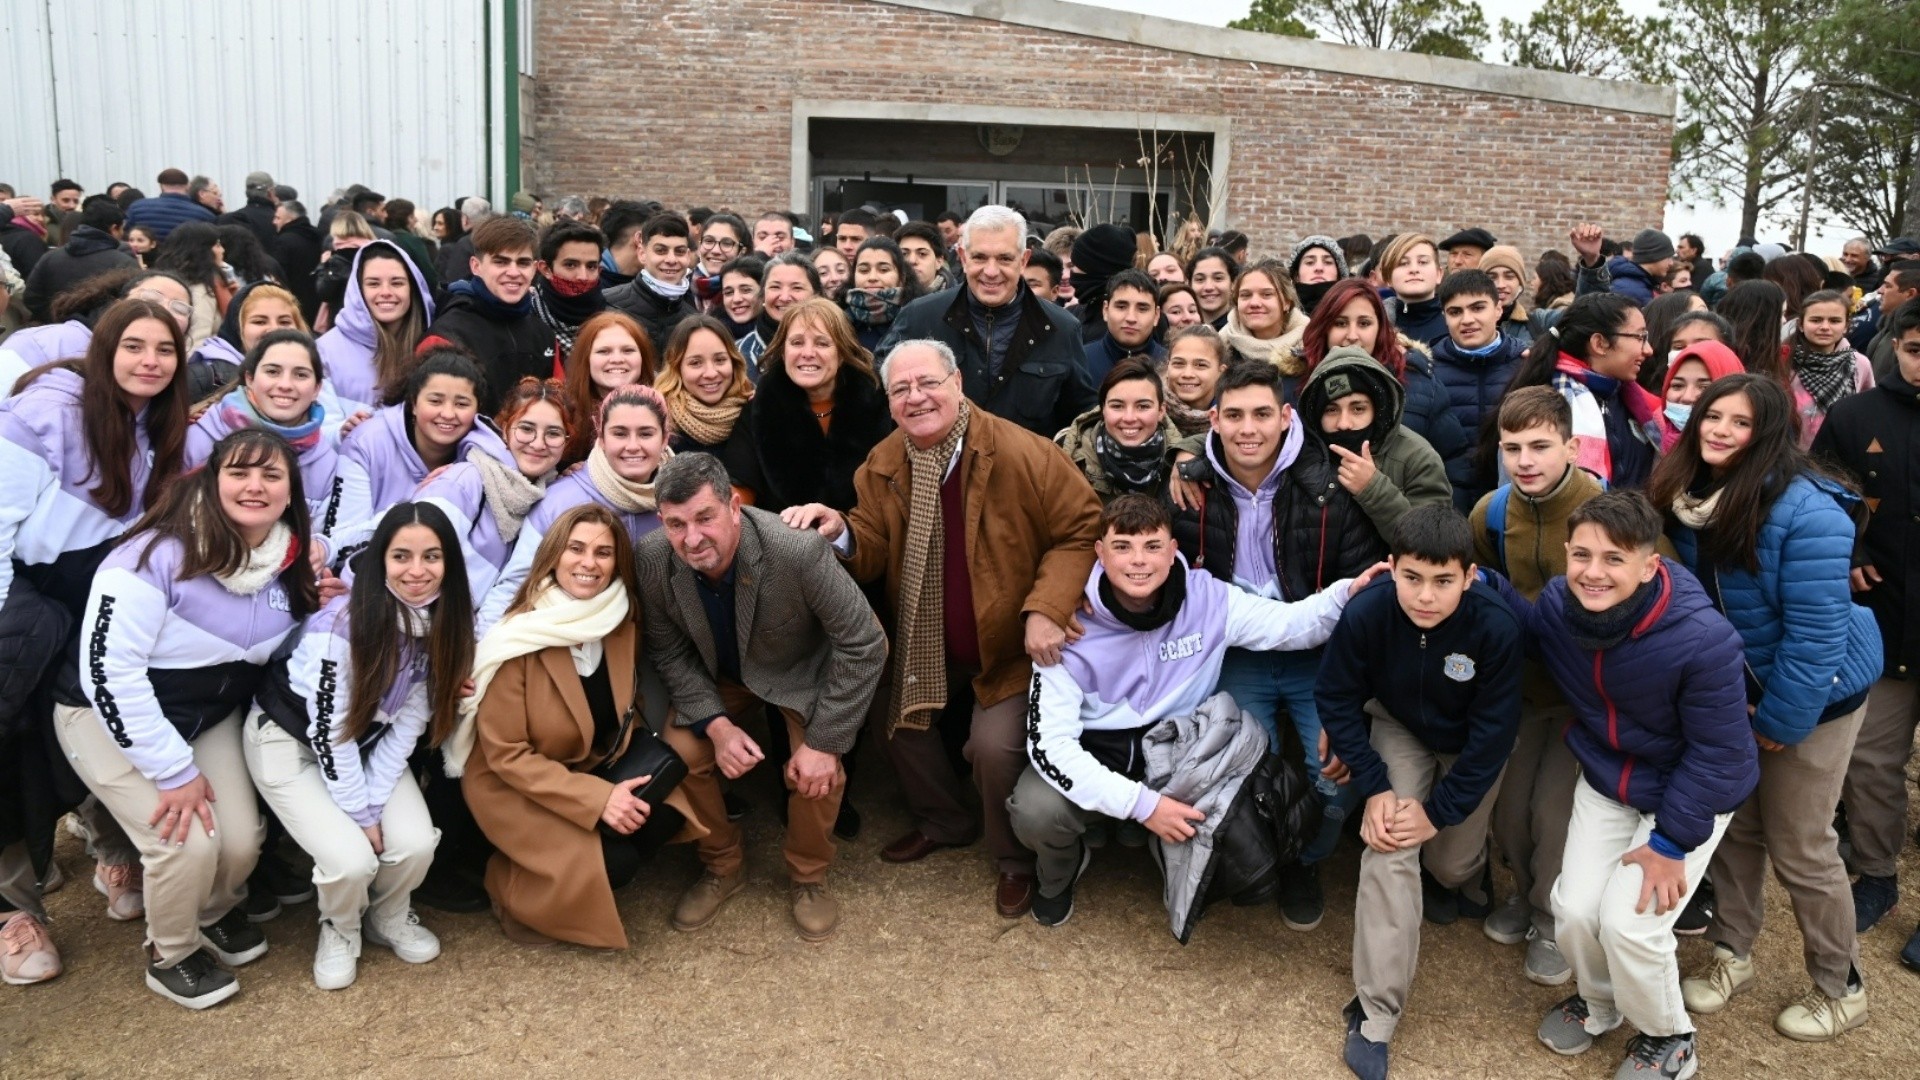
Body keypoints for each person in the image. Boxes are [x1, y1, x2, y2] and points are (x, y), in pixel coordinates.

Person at [784, 338, 1101, 918]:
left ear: (957, 382)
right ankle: (944, 820)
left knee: (991, 747)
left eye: (928, 382)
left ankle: (1013, 859)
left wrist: (1047, 606)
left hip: (1009, 645)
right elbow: (875, 546)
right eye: (901, 389)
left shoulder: (1021, 452)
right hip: (931, 636)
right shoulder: (884, 463)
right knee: (892, 715)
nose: (916, 397)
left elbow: (1082, 529)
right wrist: (842, 532)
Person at [1482, 491, 1755, 1080]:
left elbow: (1722, 755)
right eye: (1582, 555)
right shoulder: (1560, 604)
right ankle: (1599, 1002)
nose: (1594, 571)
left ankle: (1669, 1035)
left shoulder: (1703, 641)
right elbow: (1532, 632)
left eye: (1614, 559)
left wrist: (1671, 845)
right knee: (1574, 909)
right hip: (1610, 776)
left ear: (1649, 566)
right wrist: (1477, 578)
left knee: (1630, 924)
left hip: (1687, 795)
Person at [1012, 493, 1379, 926]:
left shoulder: (1208, 599)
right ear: (1099, 553)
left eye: (1152, 547)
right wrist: (1145, 806)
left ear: (1173, 552)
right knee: (1036, 810)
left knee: (1236, 807)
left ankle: (1169, 853)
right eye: (1122, 546)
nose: (1138, 562)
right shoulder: (1067, 622)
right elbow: (1051, 747)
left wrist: (1344, 595)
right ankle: (1061, 871)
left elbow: (1288, 625)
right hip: (1096, 750)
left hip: (1177, 754)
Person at [1651, 374, 1883, 1042]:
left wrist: (1781, 720)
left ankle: (1842, 986)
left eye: (1740, 422)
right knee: (1738, 828)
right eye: (1711, 416)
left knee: (1802, 842)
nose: (1719, 430)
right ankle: (1732, 950)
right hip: (1735, 691)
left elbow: (1817, 635)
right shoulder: (1688, 492)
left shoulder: (1809, 512)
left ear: (1772, 434)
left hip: (1817, 694)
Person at [55, 429, 320, 1007]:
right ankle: (170, 949)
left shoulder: (287, 559)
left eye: (272, 476)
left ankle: (212, 911)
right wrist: (173, 772)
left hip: (206, 713)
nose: (255, 486)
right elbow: (109, 675)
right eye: (240, 472)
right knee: (186, 844)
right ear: (211, 478)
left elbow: (286, 644)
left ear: (290, 491)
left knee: (243, 839)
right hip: (104, 713)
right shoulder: (151, 554)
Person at [0, 299, 189, 987]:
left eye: (164, 349)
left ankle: (114, 849)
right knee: (15, 741)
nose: (149, 361)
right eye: (134, 346)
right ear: (103, 351)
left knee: (92, 728)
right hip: (30, 601)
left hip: (102, 597)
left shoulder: (165, 427)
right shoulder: (43, 415)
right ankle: (15, 909)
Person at [639, 454, 886, 941]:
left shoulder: (795, 551)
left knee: (818, 772)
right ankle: (722, 864)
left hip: (799, 673)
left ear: (734, 507)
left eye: (705, 517)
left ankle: (808, 875)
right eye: (676, 524)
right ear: (660, 521)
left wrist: (825, 742)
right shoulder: (652, 557)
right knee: (677, 753)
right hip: (722, 679)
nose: (691, 539)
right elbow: (668, 653)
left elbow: (865, 642)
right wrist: (717, 725)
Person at [1319, 505, 1523, 1080]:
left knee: (1450, 865)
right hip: (1400, 727)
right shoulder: (1368, 611)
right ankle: (1376, 1011)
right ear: (1392, 568)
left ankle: (1468, 872)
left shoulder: (1495, 627)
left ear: (1469, 576)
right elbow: (1335, 694)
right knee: (1389, 844)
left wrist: (1439, 814)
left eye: (1442, 581)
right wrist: (1376, 784)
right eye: (1411, 578)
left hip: (1468, 746)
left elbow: (1492, 738)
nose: (1425, 597)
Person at [455, 503, 699, 946]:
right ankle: (508, 885)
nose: (589, 563)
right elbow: (507, 755)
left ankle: (575, 864)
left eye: (604, 553)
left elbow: (625, 703)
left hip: (586, 761)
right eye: (576, 549)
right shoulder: (518, 639)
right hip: (514, 784)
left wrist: (617, 785)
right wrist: (600, 798)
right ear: (554, 555)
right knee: (615, 864)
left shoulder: (619, 619)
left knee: (660, 817)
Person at [246, 500, 461, 989]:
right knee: (351, 860)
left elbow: (409, 721)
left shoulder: (444, 620)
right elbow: (328, 730)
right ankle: (339, 926)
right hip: (291, 740)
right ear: (381, 558)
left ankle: (387, 916)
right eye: (401, 556)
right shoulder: (340, 625)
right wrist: (362, 816)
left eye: (432, 557)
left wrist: (376, 797)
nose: (417, 571)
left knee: (413, 844)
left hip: (367, 744)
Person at [1466, 388, 1633, 986]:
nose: (1525, 460)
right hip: (1516, 689)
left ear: (1571, 446)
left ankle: (1547, 913)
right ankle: (1519, 891)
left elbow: (1647, 591)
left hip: (1585, 697)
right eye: (1512, 448)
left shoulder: (1609, 512)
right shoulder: (1490, 510)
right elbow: (1476, 585)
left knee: (1553, 810)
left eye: (1540, 446)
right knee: (1509, 808)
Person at [1812, 303, 1920, 965]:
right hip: (1883, 622)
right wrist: (1849, 557)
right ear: (1895, 348)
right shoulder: (1856, 417)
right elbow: (1823, 496)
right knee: (1873, 763)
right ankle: (1877, 873)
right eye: (1914, 348)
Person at [876, 206, 1095, 438]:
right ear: (962, 257)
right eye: (979, 257)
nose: (991, 271)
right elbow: (881, 398)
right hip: (937, 471)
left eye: (1004, 258)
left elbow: (1078, 415)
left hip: (1025, 471)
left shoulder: (1062, 328)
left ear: (1023, 261)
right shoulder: (919, 317)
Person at [479, 384, 673, 636]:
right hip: (568, 645)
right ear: (601, 438)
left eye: (646, 434)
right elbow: (516, 584)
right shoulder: (560, 500)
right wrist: (479, 650)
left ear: (665, 438)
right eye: (620, 433)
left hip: (651, 646)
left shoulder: (677, 500)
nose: (633, 446)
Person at [323, 350, 512, 564]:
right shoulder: (366, 442)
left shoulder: (484, 458)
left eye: (461, 404)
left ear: (477, 409)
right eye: (435, 401)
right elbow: (338, 549)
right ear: (413, 403)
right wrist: (415, 505)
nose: (448, 414)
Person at [1292, 280, 1472, 503]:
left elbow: (1454, 466)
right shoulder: (1296, 385)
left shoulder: (1420, 384)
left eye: (1364, 323)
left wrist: (1446, 526)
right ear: (1324, 328)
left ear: (1380, 329)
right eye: (1340, 323)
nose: (1352, 335)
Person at [417, 377, 573, 607]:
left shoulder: (544, 494)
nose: (538, 444)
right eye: (526, 429)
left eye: (553, 433)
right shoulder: (466, 480)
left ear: (567, 441)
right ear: (506, 429)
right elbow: (412, 561)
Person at [730, 298, 890, 513]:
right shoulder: (757, 411)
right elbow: (739, 502)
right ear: (783, 351)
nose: (807, 353)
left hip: (866, 538)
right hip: (784, 539)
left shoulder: (880, 405)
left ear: (841, 353)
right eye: (796, 343)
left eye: (822, 343)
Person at [1502, 293, 1663, 489]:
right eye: (1640, 337)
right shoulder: (1545, 403)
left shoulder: (1633, 400)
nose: (1648, 350)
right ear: (1599, 344)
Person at [186, 330, 339, 523]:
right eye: (272, 372)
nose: (285, 384)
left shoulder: (326, 463)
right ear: (250, 379)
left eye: (300, 375)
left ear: (317, 388)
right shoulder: (198, 438)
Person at [421, 216, 555, 415]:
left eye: (523, 263)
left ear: (535, 268)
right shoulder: (446, 335)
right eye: (501, 262)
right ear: (476, 266)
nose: (513, 272)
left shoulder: (543, 333)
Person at [1429, 270, 1528, 509]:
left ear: (1498, 309)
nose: (1467, 320)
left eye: (1477, 308)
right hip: (1447, 504)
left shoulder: (1526, 366)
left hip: (1512, 503)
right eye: (1455, 312)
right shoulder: (1428, 370)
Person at [313, 240, 433, 419]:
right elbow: (319, 425)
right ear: (358, 290)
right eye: (374, 284)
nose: (386, 292)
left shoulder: (431, 346)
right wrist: (340, 432)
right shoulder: (325, 350)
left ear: (412, 289)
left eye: (397, 283)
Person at [1055, 357, 1190, 504]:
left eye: (1143, 406)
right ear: (1103, 409)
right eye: (1117, 406)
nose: (1129, 418)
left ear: (1161, 411)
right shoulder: (1068, 456)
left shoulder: (1183, 459)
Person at [559, 311, 657, 469]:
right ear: (586, 359)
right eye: (603, 351)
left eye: (628, 350)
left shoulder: (664, 411)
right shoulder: (564, 415)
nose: (617, 359)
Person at [182, 281, 309, 401]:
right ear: (238, 328)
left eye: (284, 322)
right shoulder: (202, 377)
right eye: (259, 321)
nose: (274, 329)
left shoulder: (313, 375)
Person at [23, 199, 137, 323]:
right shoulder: (123, 263)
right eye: (122, 229)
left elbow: (31, 298)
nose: (122, 234)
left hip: (57, 331)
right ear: (114, 228)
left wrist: (57, 320)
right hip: (104, 335)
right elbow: (134, 302)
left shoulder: (50, 258)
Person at [1785, 289, 1873, 449]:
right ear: (1801, 325)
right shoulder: (1783, 361)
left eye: (1834, 321)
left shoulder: (1860, 363)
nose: (1825, 327)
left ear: (1846, 326)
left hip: (1842, 455)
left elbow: (1867, 411)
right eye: (1816, 320)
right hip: (1792, 457)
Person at [656, 315, 754, 455]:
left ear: (734, 362)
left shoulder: (753, 413)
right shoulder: (659, 421)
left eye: (720, 360)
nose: (711, 373)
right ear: (677, 368)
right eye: (695, 363)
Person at [605, 212, 699, 355]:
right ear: (642, 254)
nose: (671, 259)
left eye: (679, 251)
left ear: (687, 256)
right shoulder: (607, 304)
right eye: (661, 251)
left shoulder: (694, 320)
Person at [529, 219, 608, 367]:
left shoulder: (613, 319)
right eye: (570, 265)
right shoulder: (527, 318)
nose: (583, 276)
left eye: (591, 266)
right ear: (546, 269)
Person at [150, 222, 235, 353]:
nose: (222, 250)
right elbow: (196, 341)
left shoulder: (161, 280)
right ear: (203, 250)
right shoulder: (200, 290)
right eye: (217, 245)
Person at [1218, 259, 1305, 368]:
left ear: (1287, 302)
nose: (1254, 303)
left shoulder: (1310, 345)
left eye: (1266, 294)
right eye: (1246, 295)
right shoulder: (1220, 348)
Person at [1084, 268, 1165, 384]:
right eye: (1121, 307)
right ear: (1105, 310)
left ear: (1156, 316)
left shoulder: (1169, 364)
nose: (1131, 318)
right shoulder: (1081, 362)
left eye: (1142, 309)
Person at [844, 236, 924, 352]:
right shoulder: (839, 321)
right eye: (864, 270)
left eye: (883, 270)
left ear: (902, 277)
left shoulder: (918, 319)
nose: (872, 277)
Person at [1159, 324, 1226, 437]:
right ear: (1168, 366)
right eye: (1178, 363)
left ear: (1221, 372)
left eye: (1200, 365)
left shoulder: (1234, 417)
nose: (1187, 374)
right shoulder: (1150, 410)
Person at [1380, 234, 1447, 347]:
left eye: (1423, 262)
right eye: (1403, 263)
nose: (1414, 269)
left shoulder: (1454, 323)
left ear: (1439, 274)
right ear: (1388, 277)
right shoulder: (1377, 325)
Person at [1717, 281, 1790, 383]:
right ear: (1762, 317)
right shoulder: (1728, 359)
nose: (1784, 320)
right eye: (1781, 314)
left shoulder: (1771, 355)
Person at [1585, 228, 1677, 308]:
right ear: (1654, 256)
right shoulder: (1630, 290)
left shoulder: (1641, 283)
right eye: (1668, 257)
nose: (1671, 263)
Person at [124, 168, 217, 242]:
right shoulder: (204, 214)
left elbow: (126, 235)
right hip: (185, 263)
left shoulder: (137, 208)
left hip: (146, 263)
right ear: (188, 186)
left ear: (161, 186)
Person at [1476, 245, 1537, 350]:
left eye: (1509, 277)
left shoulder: (1535, 324)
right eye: (1492, 277)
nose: (1500, 285)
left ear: (1520, 283)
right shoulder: (1466, 324)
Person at [272, 200, 324, 321]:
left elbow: (278, 273)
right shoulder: (318, 236)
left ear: (290, 220)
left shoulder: (283, 242)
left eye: (278, 218)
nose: (274, 222)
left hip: (294, 303)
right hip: (317, 302)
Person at [1290, 236, 1347, 318]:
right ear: (1296, 275)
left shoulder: (1352, 310)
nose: (1319, 268)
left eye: (1328, 262)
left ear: (1339, 273)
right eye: (1310, 262)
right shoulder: (1282, 316)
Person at [896, 221, 951, 292]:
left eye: (922, 254)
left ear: (939, 261)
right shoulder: (883, 298)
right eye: (904, 254)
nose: (912, 261)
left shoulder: (959, 299)